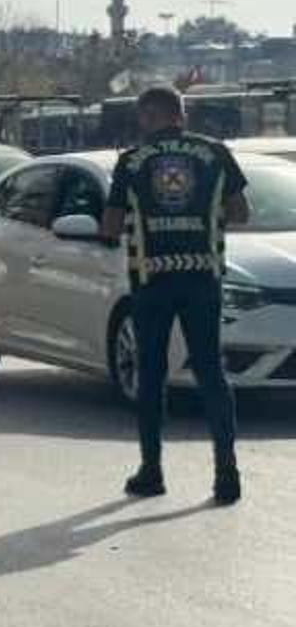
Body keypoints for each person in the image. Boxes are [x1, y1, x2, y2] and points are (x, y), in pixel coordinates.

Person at [101, 85, 246, 505]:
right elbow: (241, 211)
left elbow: (111, 226)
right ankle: (226, 473)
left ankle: (152, 471)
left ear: (147, 117)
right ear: (181, 115)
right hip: (203, 276)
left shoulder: (131, 161)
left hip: (151, 280)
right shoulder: (216, 154)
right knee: (210, 371)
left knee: (151, 373)